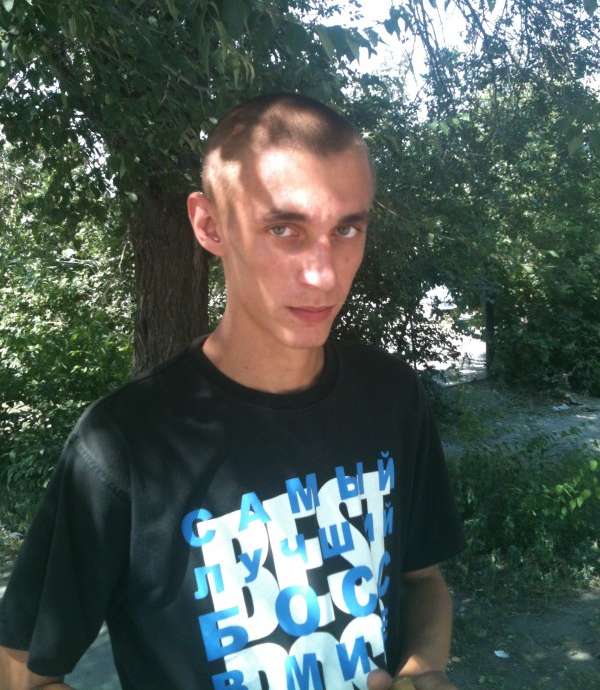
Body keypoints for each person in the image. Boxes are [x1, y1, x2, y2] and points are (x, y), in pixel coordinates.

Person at [0, 93, 465, 690]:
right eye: (283, 229)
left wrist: (422, 672)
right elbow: (22, 674)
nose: (324, 273)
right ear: (209, 224)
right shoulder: (122, 445)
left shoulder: (390, 394)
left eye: (346, 228)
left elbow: (420, 580)